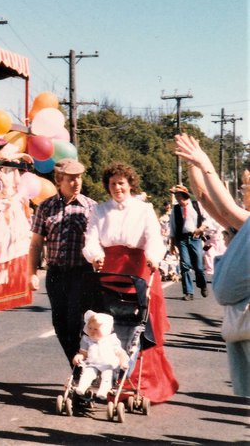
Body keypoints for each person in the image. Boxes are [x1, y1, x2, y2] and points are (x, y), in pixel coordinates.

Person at [82, 162, 177, 403]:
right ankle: (105, 375)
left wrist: (155, 258)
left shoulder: (144, 209)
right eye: (112, 184)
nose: (117, 188)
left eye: (121, 183)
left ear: (130, 184)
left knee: (138, 324)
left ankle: (139, 380)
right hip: (110, 270)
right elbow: (91, 239)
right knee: (107, 324)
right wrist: (95, 255)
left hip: (138, 270)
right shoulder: (100, 210)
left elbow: (154, 238)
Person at [174, 133, 249, 397]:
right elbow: (207, 199)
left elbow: (227, 210)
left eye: (246, 189)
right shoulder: (247, 222)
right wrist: (196, 165)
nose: (243, 192)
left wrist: (205, 163)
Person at [29, 158, 98, 365]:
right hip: (56, 274)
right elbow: (35, 244)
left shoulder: (91, 207)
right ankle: (77, 365)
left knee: (76, 321)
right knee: (59, 324)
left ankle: (81, 367)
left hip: (81, 272)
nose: (77, 183)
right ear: (59, 179)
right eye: (71, 179)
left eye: (79, 178)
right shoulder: (46, 207)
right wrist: (32, 272)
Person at [72, 310, 129, 401]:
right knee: (87, 374)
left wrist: (123, 361)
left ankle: (104, 390)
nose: (92, 331)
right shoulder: (87, 340)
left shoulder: (111, 340)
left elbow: (120, 352)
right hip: (92, 363)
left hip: (108, 365)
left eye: (96, 329)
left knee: (107, 375)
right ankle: (82, 387)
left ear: (106, 330)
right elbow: (84, 353)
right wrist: (79, 356)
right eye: (90, 328)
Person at [168, 184, 209, 300]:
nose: (177, 198)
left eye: (178, 195)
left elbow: (207, 219)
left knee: (199, 267)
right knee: (185, 265)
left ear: (184, 195)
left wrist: (201, 228)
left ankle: (202, 285)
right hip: (182, 239)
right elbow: (173, 227)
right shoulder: (175, 209)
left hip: (195, 238)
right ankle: (188, 292)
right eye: (176, 196)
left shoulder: (196, 206)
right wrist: (172, 244)